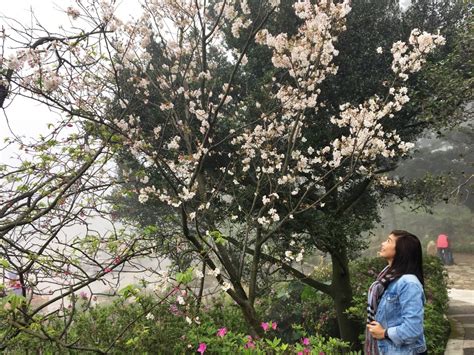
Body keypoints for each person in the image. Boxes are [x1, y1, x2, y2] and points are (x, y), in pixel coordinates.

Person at [365, 230, 427, 354]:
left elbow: (413, 329)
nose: (382, 243)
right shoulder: (388, 278)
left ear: (401, 250)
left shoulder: (408, 283)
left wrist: (383, 333)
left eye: (388, 241)